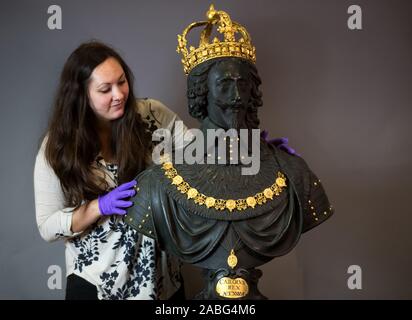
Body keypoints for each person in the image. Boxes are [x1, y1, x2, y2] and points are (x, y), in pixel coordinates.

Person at [125, 5, 334, 299]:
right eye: (224, 85)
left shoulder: (295, 174)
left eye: (243, 84)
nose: (237, 96)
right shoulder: (156, 185)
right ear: (202, 92)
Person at [34, 41, 187, 300]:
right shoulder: (59, 147)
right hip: (96, 285)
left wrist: (244, 150)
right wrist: (98, 207)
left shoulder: (152, 114)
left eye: (122, 82)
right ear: (81, 96)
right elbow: (47, 227)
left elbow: (200, 152)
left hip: (163, 281)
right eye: (105, 89)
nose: (119, 94)